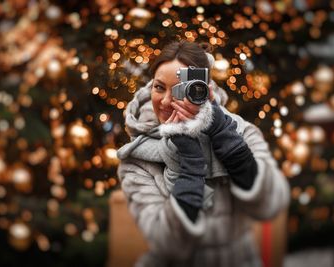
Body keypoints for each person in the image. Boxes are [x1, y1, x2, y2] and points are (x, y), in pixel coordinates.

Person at [117, 40, 290, 267]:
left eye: (181, 89)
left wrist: (223, 135)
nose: (167, 101)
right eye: (159, 87)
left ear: (202, 90)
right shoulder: (137, 156)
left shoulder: (239, 130)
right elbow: (167, 243)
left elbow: (271, 203)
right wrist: (189, 163)